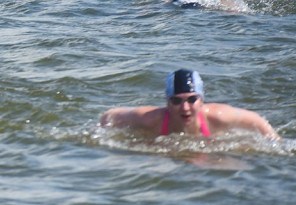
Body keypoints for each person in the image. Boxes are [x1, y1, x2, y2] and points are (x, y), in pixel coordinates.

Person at [99, 69, 279, 140]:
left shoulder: (219, 117)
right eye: (176, 101)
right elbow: (109, 116)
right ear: (167, 102)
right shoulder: (150, 119)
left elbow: (256, 120)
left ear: (201, 101)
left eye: (192, 100)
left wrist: (275, 141)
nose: (185, 108)